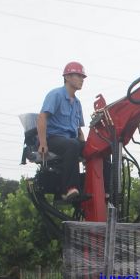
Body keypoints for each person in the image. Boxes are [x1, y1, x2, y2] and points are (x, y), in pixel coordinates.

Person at [37, 61, 87, 202]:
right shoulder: (56, 95)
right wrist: (42, 143)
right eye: (79, 76)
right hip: (53, 138)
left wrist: (87, 151)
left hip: (70, 141)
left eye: (83, 77)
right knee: (72, 144)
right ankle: (68, 189)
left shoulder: (77, 103)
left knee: (100, 148)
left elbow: (79, 131)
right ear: (68, 77)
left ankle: (106, 190)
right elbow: (42, 117)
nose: (82, 79)